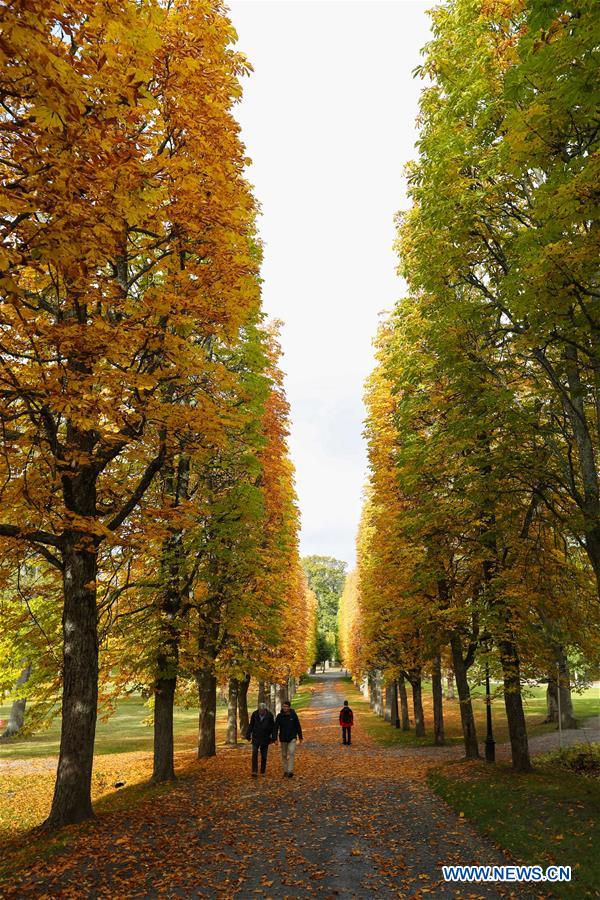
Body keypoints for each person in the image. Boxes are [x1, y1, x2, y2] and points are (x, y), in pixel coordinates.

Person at [273, 700, 303, 777]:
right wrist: (275, 739)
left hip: (292, 737)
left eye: (286, 706)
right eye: (284, 706)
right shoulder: (279, 716)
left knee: (292, 752)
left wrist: (300, 737)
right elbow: (275, 727)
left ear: (289, 707)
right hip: (283, 738)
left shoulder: (293, 715)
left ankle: (290, 771)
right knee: (284, 755)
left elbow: (298, 726)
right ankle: (285, 770)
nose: (285, 708)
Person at [246, 702, 276, 777]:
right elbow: (251, 725)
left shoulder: (269, 715)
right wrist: (248, 734)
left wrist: (274, 738)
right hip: (256, 737)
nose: (261, 712)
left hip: (265, 738)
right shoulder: (254, 714)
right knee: (254, 754)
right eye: (260, 710)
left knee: (264, 755)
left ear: (265, 709)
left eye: (262, 710)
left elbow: (273, 727)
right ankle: (254, 771)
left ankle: (262, 771)